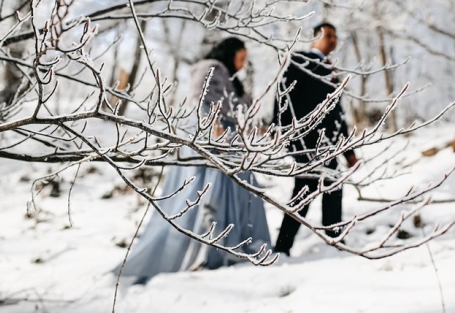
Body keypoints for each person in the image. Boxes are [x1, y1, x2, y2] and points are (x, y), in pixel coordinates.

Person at [117, 37, 271, 283]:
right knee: (211, 197)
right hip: (213, 142)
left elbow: (242, 112)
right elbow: (200, 99)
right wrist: (214, 128)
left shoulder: (232, 81)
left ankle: (232, 247)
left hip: (231, 146)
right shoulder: (210, 67)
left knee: (239, 195)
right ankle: (209, 252)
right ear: (230, 54)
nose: (242, 64)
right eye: (240, 58)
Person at [273, 22, 359, 256]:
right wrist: (281, 131)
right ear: (317, 37)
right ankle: (285, 247)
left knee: (329, 184)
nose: (334, 40)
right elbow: (283, 94)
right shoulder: (301, 61)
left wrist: (348, 151)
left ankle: (328, 240)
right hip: (305, 141)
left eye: (335, 36)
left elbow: (336, 113)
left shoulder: (331, 70)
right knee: (306, 190)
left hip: (328, 143)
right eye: (329, 35)